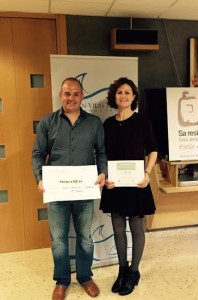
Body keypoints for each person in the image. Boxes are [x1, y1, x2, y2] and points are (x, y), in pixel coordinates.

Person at [32, 77, 107, 300]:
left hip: (84, 190)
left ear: (82, 96)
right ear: (60, 95)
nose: (71, 98)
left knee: (85, 237)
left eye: (75, 94)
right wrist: (39, 178)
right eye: (67, 93)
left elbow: (101, 152)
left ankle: (85, 277)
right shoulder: (47, 123)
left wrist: (102, 171)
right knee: (58, 239)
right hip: (56, 191)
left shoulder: (94, 123)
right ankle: (62, 280)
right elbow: (37, 154)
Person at [100, 77, 158, 296]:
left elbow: (153, 149)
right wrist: (105, 175)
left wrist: (147, 173)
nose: (122, 96)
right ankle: (122, 270)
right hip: (114, 184)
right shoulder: (107, 124)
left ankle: (134, 272)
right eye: (119, 92)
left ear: (134, 97)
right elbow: (102, 154)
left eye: (127, 92)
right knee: (117, 227)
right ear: (114, 96)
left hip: (136, 183)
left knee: (136, 227)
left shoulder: (142, 120)